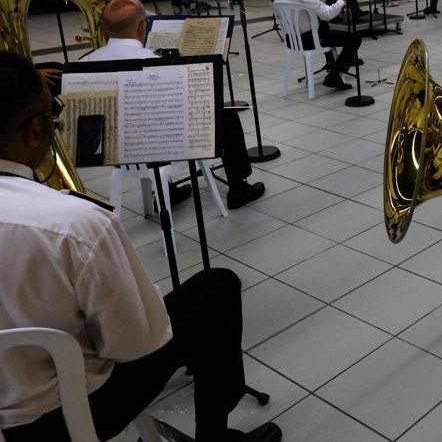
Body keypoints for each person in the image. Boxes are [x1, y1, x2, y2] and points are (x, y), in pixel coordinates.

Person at [0, 51, 282, 442]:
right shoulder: (74, 225)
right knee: (217, 288)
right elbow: (135, 343)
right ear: (33, 131)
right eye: (52, 118)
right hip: (65, 416)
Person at [80, 0, 265, 209]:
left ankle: (165, 190)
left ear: (104, 27)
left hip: (116, 152)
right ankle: (238, 188)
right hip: (163, 147)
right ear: (143, 26)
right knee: (226, 115)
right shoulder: (155, 60)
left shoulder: (84, 63)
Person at [274, 0, 362, 90]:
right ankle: (334, 75)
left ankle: (333, 68)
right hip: (308, 39)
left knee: (324, 27)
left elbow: (309, 6)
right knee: (354, 39)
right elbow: (327, 14)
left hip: (292, 38)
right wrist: (342, 0)